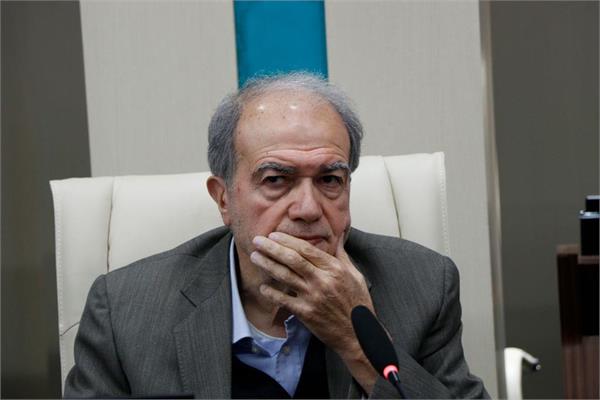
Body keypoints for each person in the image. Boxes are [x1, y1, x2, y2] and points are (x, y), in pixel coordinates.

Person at [64, 73, 489, 399]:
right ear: (224, 199)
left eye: (329, 179)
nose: (308, 209)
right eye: (275, 180)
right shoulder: (124, 312)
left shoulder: (423, 285)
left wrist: (355, 341)